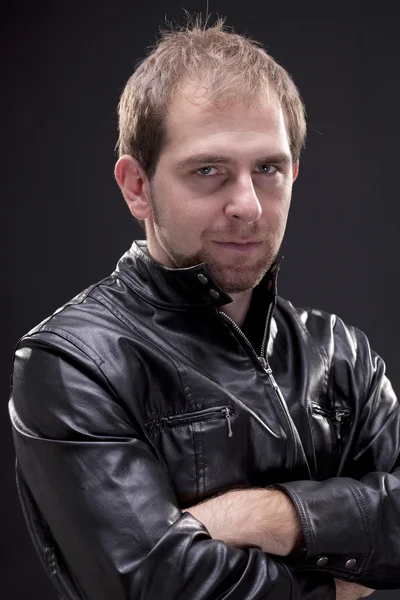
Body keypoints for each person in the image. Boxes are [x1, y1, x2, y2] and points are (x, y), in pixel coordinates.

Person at [9, 17, 400, 600]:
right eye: (208, 171)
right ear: (137, 185)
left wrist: (270, 516)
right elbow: (157, 589)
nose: (247, 205)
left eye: (267, 169)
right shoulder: (72, 365)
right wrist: (346, 580)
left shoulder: (341, 353)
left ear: (294, 173)